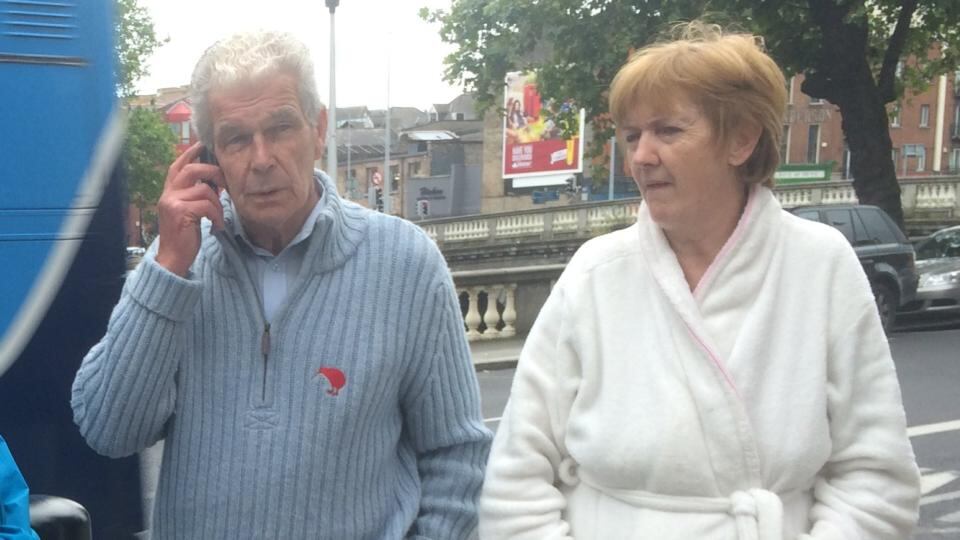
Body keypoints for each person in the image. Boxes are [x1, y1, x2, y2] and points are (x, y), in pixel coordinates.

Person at [479, 22, 920, 540]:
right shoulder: (595, 274)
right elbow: (516, 477)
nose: (642, 155)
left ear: (741, 139)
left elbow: (875, 475)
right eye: (631, 135)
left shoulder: (820, 266)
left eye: (668, 130)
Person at [72, 31, 491, 539]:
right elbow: (108, 429)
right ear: (211, 158)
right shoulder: (177, 272)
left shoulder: (406, 264)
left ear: (318, 130)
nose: (262, 158)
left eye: (281, 127)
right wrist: (166, 269)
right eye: (236, 138)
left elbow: (457, 455)